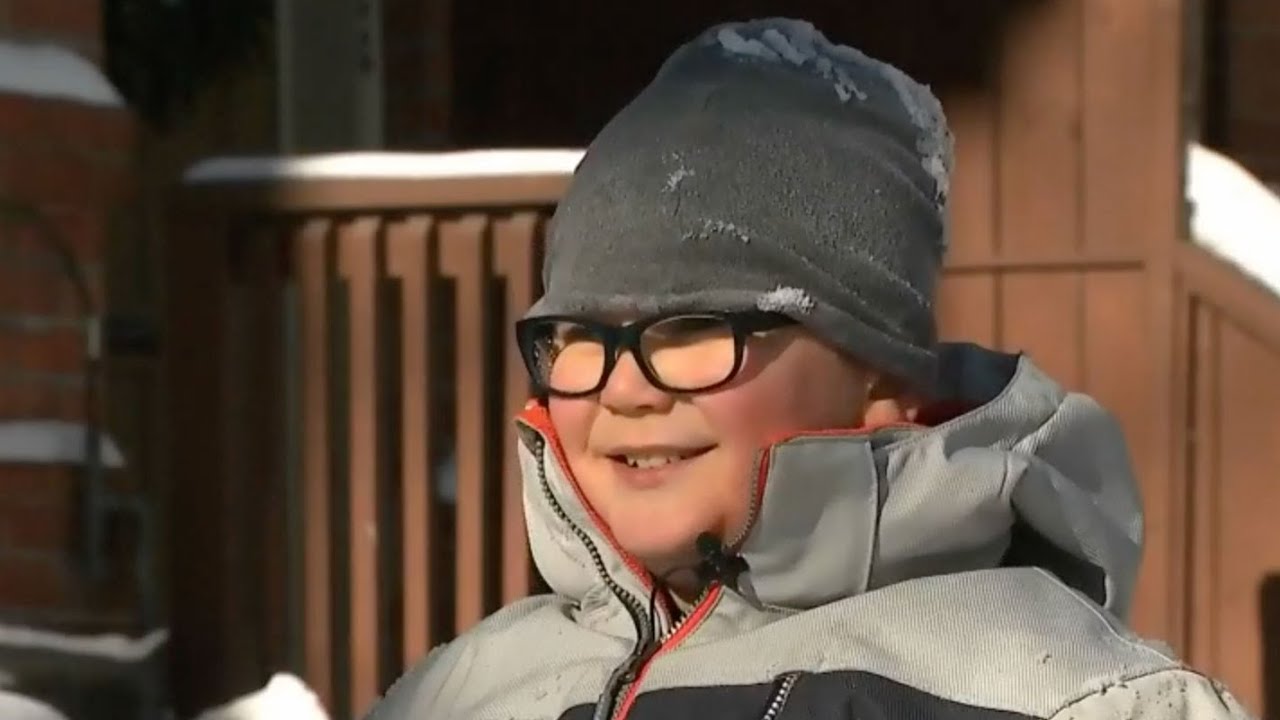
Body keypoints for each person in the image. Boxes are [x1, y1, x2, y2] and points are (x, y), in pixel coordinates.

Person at [367, 17, 1255, 720]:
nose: (624, 385)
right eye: (581, 337)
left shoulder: (1072, 698)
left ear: (877, 377)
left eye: (691, 328)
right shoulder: (460, 691)